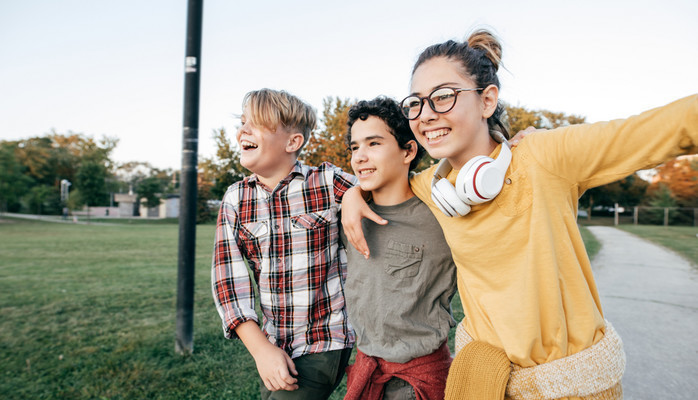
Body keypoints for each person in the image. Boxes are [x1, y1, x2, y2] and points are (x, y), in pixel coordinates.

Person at [342, 29, 698, 400]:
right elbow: (382, 174)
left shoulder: (546, 155)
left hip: (572, 385)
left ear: (487, 101)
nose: (427, 115)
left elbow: (669, 127)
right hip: (482, 379)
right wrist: (354, 192)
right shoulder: (433, 186)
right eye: (416, 103)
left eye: (444, 97)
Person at [211, 88, 356, 400]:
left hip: (325, 340)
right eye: (243, 122)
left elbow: (379, 186)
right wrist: (261, 350)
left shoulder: (326, 183)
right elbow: (228, 284)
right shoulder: (236, 199)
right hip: (273, 345)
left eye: (257, 124)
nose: (243, 131)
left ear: (293, 142)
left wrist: (356, 196)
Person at [340, 97, 457, 400]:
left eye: (373, 143)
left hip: (420, 378)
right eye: (354, 147)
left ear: (408, 150)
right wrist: (352, 195)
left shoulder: (440, 212)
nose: (360, 157)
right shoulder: (350, 215)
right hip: (368, 371)